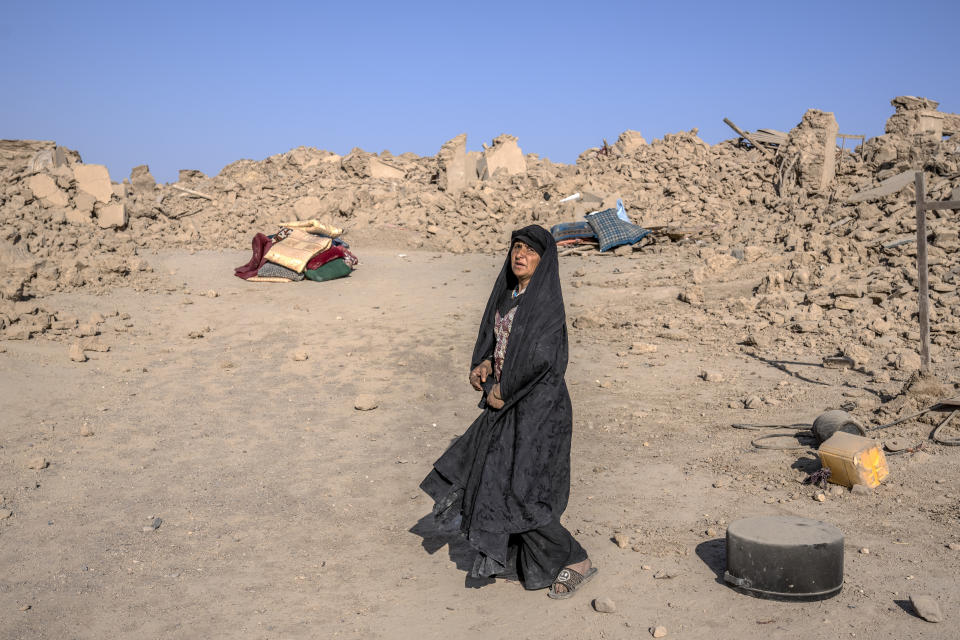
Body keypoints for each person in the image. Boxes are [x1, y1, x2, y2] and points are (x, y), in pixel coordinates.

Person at [420, 224, 596, 599]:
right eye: (517, 247)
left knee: (522, 490)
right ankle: (528, 558)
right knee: (494, 479)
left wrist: (506, 388)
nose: (521, 255)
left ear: (544, 261)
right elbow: (495, 340)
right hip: (508, 405)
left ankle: (575, 558)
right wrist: (484, 364)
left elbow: (542, 359)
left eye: (531, 251)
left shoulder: (545, 302)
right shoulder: (509, 295)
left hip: (539, 409)